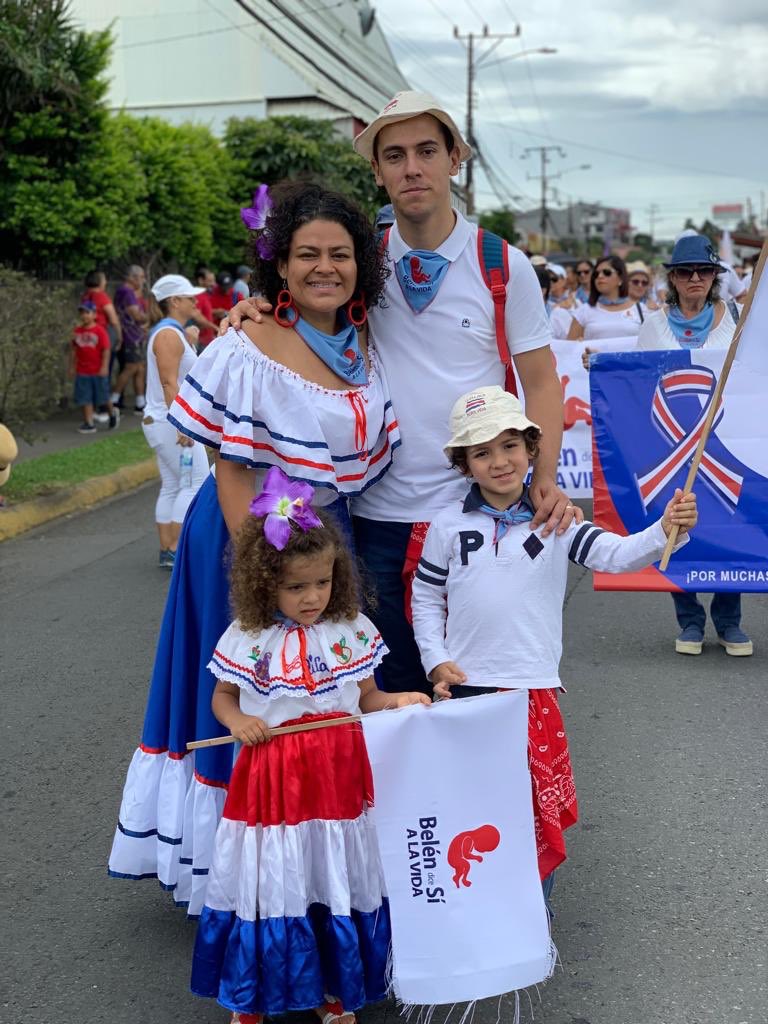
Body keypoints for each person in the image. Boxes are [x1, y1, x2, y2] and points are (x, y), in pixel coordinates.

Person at [108, 183, 402, 916]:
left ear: (361, 263)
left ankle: (309, 857)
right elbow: (232, 467)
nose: (324, 268)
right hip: (251, 541)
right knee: (250, 687)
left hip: (321, 542)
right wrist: (262, 579)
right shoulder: (248, 342)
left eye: (339, 254)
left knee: (312, 693)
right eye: (308, 255)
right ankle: (233, 873)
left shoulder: (364, 341)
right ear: (280, 263)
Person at [228, 91, 575, 697]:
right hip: (373, 516)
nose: (411, 168)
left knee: (474, 685)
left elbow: (542, 381)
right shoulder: (359, 263)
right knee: (386, 692)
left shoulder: (503, 264)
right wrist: (257, 307)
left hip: (476, 511)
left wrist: (541, 479)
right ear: (378, 170)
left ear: (455, 159)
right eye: (394, 155)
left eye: (426, 151)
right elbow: (303, 321)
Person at [411, 386, 697, 894]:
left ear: (530, 449)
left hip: (530, 689)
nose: (499, 461)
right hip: (463, 691)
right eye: (482, 452)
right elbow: (427, 598)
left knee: (530, 806)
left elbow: (618, 554)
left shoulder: (557, 521)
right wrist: (435, 661)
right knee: (473, 809)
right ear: (464, 464)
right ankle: (480, 906)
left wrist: (664, 530)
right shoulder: (446, 528)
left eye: (509, 446)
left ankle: (532, 912)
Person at [190, 469, 429, 1024]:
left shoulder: (352, 628)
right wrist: (242, 719)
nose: (312, 597)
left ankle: (335, 990)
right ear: (263, 583)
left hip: (341, 774)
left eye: (322, 582)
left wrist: (396, 702)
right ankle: (253, 996)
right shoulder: (247, 638)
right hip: (274, 780)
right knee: (276, 879)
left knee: (334, 876)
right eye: (297, 587)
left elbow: (368, 698)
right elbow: (222, 700)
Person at [635, 233, 752, 657]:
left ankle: (728, 621)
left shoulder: (738, 319)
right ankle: (689, 619)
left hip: (725, 444)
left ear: (716, 276)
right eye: (686, 271)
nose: (695, 278)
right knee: (677, 523)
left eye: (704, 270)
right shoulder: (654, 325)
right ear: (673, 277)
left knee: (726, 529)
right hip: (672, 444)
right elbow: (640, 383)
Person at [143, 274, 210, 569]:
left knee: (173, 484)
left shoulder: (171, 332)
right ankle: (177, 548)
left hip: (161, 421)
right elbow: (170, 383)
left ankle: (168, 549)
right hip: (170, 422)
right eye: (190, 298)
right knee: (193, 482)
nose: (195, 303)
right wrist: (183, 425)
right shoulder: (168, 335)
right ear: (174, 302)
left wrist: (191, 342)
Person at [68, 300, 119, 433]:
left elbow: (106, 350)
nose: (84, 315)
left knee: (103, 396)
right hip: (83, 370)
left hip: (97, 370)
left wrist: (104, 367)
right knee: (86, 397)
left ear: (95, 314)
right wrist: (72, 366)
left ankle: (112, 411)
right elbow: (73, 351)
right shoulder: (77, 331)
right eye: (82, 313)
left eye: (87, 312)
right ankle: (89, 423)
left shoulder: (100, 331)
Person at [566, 255, 644, 341]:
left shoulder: (641, 310)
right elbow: (569, 349)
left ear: (620, 278)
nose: (600, 276)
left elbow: (651, 346)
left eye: (607, 272)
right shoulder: (583, 312)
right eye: (596, 274)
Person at [111, 265, 148, 414]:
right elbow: (137, 315)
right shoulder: (127, 291)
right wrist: (152, 317)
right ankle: (113, 399)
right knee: (131, 367)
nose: (143, 281)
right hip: (130, 335)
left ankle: (140, 403)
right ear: (133, 277)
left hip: (136, 335)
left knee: (139, 368)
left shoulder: (127, 292)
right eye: (141, 277)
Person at [193, 265, 219, 349]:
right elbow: (196, 317)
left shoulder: (204, 295)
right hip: (201, 342)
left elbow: (203, 312)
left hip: (207, 340)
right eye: (210, 281)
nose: (214, 284)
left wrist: (215, 312)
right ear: (201, 280)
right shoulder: (198, 296)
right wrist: (216, 328)